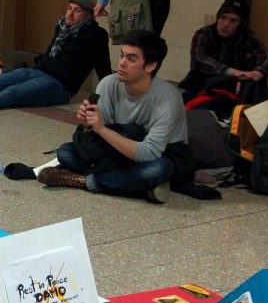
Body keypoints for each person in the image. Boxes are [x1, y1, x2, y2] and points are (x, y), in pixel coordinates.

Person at [39, 29, 186, 203]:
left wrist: (100, 128)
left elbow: (149, 153)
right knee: (66, 152)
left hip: (157, 155)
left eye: (131, 59)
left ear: (150, 66)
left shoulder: (168, 99)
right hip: (118, 151)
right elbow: (99, 139)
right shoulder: (108, 84)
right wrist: (88, 125)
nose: (122, 63)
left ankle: (83, 181)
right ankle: (136, 185)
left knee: (159, 169)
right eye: (122, 56)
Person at [0, 0, 111, 112]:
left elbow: (103, 66)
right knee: (2, 81)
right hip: (39, 70)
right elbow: (51, 52)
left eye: (77, 11)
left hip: (60, 85)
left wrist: (106, 97)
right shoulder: (62, 28)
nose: (70, 13)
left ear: (88, 16)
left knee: (11, 93)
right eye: (69, 8)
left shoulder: (95, 35)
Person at [179, 0, 268, 104]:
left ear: (240, 24)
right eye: (222, 18)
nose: (225, 24)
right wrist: (232, 72)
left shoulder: (246, 35)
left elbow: (267, 58)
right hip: (203, 83)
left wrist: (256, 74)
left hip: (232, 83)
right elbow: (200, 59)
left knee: (255, 67)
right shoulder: (205, 34)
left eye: (232, 20)